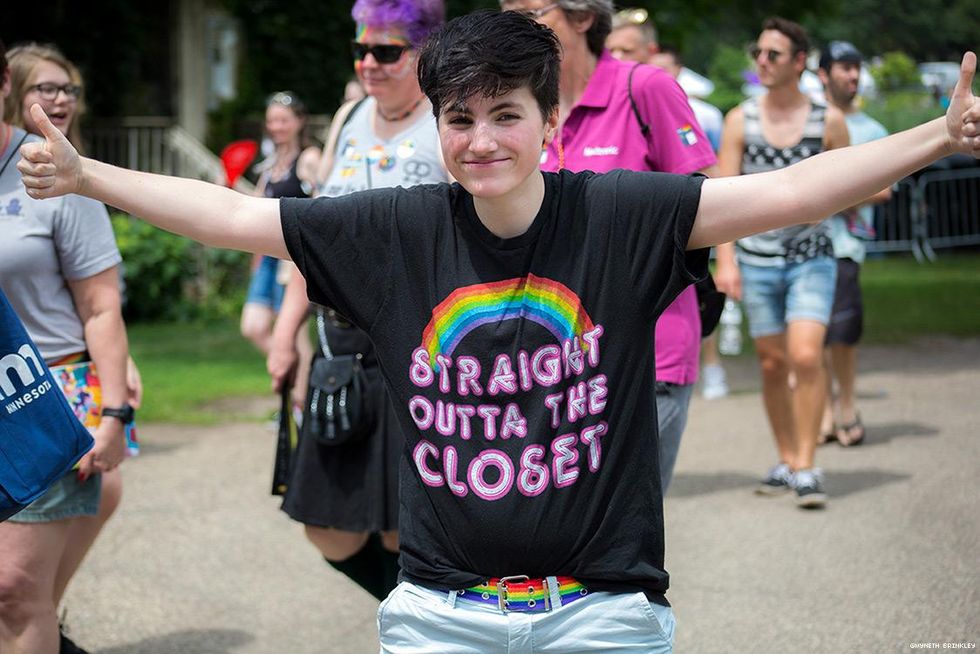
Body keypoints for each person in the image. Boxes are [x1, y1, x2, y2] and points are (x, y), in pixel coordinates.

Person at [18, 10, 979, 652]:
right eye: (459, 117)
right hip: (440, 616)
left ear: (551, 121)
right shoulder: (396, 228)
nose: (482, 139)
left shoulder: (621, 215)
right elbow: (234, 219)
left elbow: (785, 190)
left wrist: (939, 135)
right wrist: (91, 177)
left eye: (507, 114)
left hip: (602, 610)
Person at [266, 0, 447, 601]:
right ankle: (424, 620)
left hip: (417, 344)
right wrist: (287, 332)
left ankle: (432, 631)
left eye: (387, 52)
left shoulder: (447, 123)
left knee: (405, 528)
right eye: (361, 50)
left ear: (423, 53)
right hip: (339, 343)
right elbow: (310, 237)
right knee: (328, 526)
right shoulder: (349, 118)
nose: (369, 64)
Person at [500, 0, 716, 494]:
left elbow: (706, 207)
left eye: (531, 13)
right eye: (507, 12)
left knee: (621, 533)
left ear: (581, 17)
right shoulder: (519, 106)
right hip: (545, 363)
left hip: (646, 353)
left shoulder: (645, 89)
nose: (516, 27)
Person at [0, 40, 136, 654]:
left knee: (14, 589)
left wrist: (113, 413)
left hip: (42, 392)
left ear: (3, 81)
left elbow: (101, 305)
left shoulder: (48, 170)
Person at [717, 17, 851, 508]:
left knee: (806, 356)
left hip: (812, 256)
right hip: (756, 258)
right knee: (772, 364)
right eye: (759, 52)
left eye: (774, 54)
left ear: (799, 62)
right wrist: (724, 261)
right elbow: (723, 196)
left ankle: (808, 465)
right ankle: (785, 457)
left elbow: (851, 176)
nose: (762, 62)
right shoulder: (740, 119)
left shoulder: (827, 119)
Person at [645, 44, 733, 401]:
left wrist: (727, 257)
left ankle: (711, 366)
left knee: (694, 300)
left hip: (688, 233)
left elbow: (712, 174)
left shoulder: (706, 115)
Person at [816, 41, 892, 446]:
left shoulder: (873, 131)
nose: (854, 75)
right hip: (808, 245)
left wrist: (829, 194)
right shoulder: (812, 122)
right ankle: (825, 409)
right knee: (815, 336)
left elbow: (884, 190)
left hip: (845, 245)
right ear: (823, 74)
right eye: (845, 68)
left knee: (842, 333)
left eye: (857, 68)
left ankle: (846, 407)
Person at [239, 91, 319, 364]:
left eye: (283, 120)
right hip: (267, 258)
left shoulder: (308, 158)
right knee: (253, 326)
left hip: (293, 258)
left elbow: (324, 203)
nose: (277, 127)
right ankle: (296, 385)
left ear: (299, 121)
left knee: (294, 336)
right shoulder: (270, 166)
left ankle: (303, 403)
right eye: (272, 121)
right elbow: (256, 207)